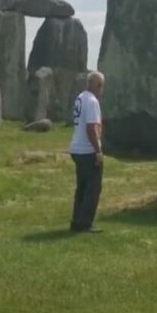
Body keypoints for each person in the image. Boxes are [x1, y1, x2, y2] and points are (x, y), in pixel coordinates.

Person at [69, 71, 105, 234]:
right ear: (98, 86)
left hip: (76, 148)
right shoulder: (92, 101)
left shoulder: (80, 98)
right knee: (93, 188)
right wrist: (98, 151)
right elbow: (91, 128)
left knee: (82, 187)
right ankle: (85, 222)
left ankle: (76, 220)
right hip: (87, 150)